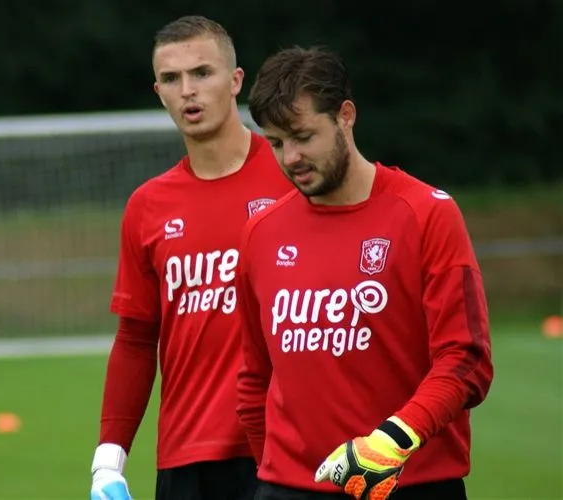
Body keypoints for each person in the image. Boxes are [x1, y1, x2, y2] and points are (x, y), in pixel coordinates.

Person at [235, 46, 494, 500]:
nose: (290, 157)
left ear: (345, 116)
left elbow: (466, 359)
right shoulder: (261, 233)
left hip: (410, 483)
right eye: (276, 143)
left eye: (302, 136)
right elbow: (255, 378)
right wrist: (274, 475)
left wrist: (391, 442)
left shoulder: (425, 214)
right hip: (288, 488)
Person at [89, 15, 293, 500]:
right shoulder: (147, 206)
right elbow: (137, 339)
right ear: (158, 91)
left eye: (202, 73)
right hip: (187, 459)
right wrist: (107, 461)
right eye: (171, 79)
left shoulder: (294, 177)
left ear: (236, 80)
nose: (188, 91)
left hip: (287, 451)